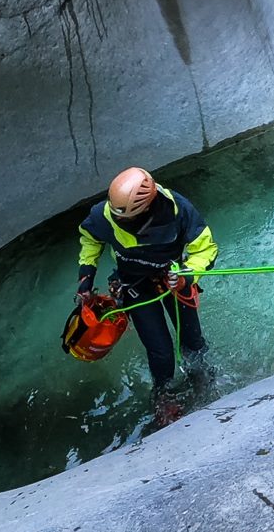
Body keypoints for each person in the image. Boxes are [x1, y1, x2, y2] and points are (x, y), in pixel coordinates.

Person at [77, 167, 218, 422]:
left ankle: (202, 378)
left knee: (192, 339)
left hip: (173, 278)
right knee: (160, 349)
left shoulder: (179, 211)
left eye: (127, 220)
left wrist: (188, 275)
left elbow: (205, 249)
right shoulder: (104, 215)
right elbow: (90, 238)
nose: (120, 223)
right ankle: (162, 393)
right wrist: (86, 276)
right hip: (134, 285)